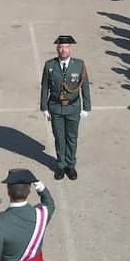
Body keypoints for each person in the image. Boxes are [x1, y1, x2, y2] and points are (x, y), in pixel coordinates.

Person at [39, 35, 91, 180]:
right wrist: (44, 107)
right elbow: (44, 87)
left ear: (70, 49)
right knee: (59, 138)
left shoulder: (79, 65)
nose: (63, 50)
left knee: (72, 138)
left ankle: (71, 165)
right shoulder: (50, 65)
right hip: (55, 107)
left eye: (66, 47)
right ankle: (60, 165)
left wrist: (87, 107)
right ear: (57, 49)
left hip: (73, 107)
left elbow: (85, 86)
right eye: (61, 47)